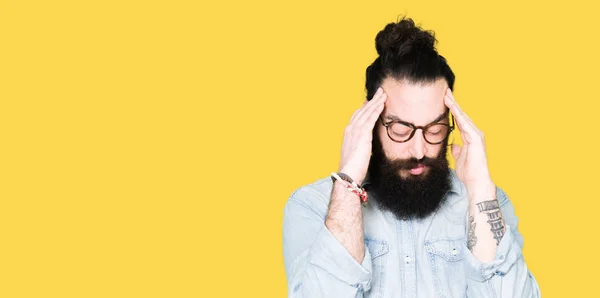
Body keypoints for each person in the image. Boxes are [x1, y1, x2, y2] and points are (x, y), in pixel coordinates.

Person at [282, 17, 541, 297]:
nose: (419, 151)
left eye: (435, 128)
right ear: (370, 123)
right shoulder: (312, 206)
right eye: (401, 129)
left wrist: (479, 189)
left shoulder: (488, 205)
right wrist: (348, 181)